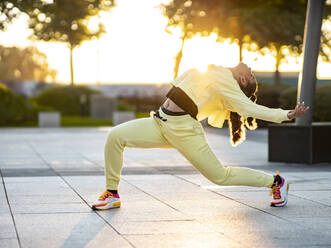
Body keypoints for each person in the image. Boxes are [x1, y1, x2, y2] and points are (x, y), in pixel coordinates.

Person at [91, 63, 309, 210]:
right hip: (160, 122)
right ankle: (112, 194)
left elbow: (250, 108)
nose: (250, 70)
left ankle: (276, 182)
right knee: (115, 136)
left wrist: (287, 114)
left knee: (220, 177)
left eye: (251, 76)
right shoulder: (215, 71)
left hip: (185, 131)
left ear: (242, 80)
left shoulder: (227, 81)